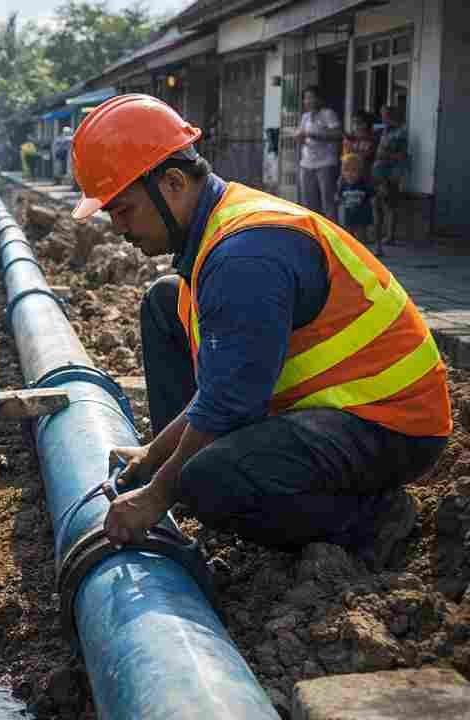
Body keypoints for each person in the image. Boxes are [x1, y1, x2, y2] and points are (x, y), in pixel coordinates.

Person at [68, 95, 449, 570]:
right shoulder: (218, 232)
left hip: (390, 423)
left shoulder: (245, 257)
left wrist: (158, 494)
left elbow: (229, 402)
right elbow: (221, 387)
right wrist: (153, 456)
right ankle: (191, 477)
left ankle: (372, 519)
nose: (118, 228)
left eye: (123, 210)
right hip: (334, 408)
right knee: (165, 304)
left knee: (207, 479)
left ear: (172, 183)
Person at [294, 86, 342, 219]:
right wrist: (300, 138)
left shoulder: (328, 114)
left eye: (311, 97)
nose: (308, 101)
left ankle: (331, 233)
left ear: (319, 99)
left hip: (325, 163)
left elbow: (338, 134)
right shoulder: (305, 117)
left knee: (328, 201)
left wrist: (316, 135)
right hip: (307, 163)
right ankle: (313, 234)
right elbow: (302, 136)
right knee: (308, 203)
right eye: (306, 98)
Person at [373, 103, 410, 247]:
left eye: (386, 116)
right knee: (378, 204)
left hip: (390, 172)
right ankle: (381, 234)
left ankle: (390, 235)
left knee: (389, 204)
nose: (384, 119)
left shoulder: (399, 133)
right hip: (379, 171)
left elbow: (401, 155)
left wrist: (386, 154)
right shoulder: (383, 131)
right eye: (382, 116)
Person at [337, 153, 378, 257]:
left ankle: (362, 253)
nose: (350, 174)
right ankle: (350, 252)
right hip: (348, 214)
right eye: (346, 171)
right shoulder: (343, 184)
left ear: (360, 172)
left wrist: (374, 212)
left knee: (360, 234)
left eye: (354, 171)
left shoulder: (364, 184)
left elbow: (372, 197)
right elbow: (338, 197)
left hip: (361, 215)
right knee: (348, 234)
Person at [342, 109, 378, 180]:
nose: (355, 125)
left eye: (358, 122)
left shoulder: (372, 139)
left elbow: (369, 155)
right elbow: (346, 157)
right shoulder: (349, 138)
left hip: (367, 175)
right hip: (349, 176)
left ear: (365, 124)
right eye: (354, 122)